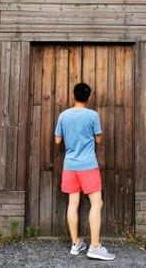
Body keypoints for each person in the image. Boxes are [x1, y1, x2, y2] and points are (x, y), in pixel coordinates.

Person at [54, 82, 116, 261]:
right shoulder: (93, 115)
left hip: (70, 166)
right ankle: (95, 247)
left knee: (72, 204)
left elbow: (57, 140)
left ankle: (75, 244)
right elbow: (98, 140)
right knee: (97, 203)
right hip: (88, 165)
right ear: (89, 97)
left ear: (73, 95)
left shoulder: (63, 115)